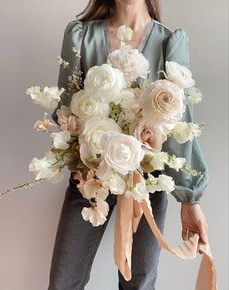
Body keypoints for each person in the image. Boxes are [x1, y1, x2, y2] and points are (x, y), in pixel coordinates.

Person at [48, 1, 210, 289]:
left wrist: (190, 200)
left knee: (140, 284)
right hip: (90, 179)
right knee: (63, 282)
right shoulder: (81, 35)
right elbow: (65, 111)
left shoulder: (169, 42)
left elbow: (181, 125)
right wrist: (77, 152)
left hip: (147, 185)